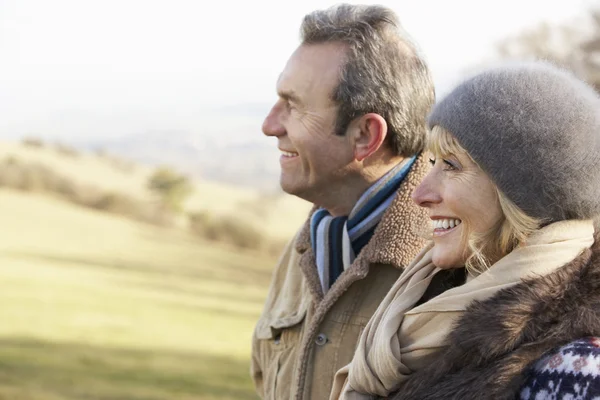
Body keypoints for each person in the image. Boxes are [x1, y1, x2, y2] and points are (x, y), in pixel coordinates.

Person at [332, 61, 600, 400]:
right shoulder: (420, 308)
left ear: (521, 198)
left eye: (451, 165)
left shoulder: (578, 371)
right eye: (432, 163)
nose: (420, 194)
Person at [250, 3, 435, 399]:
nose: (269, 125)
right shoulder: (306, 247)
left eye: (293, 105)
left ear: (366, 135)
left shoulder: (452, 260)